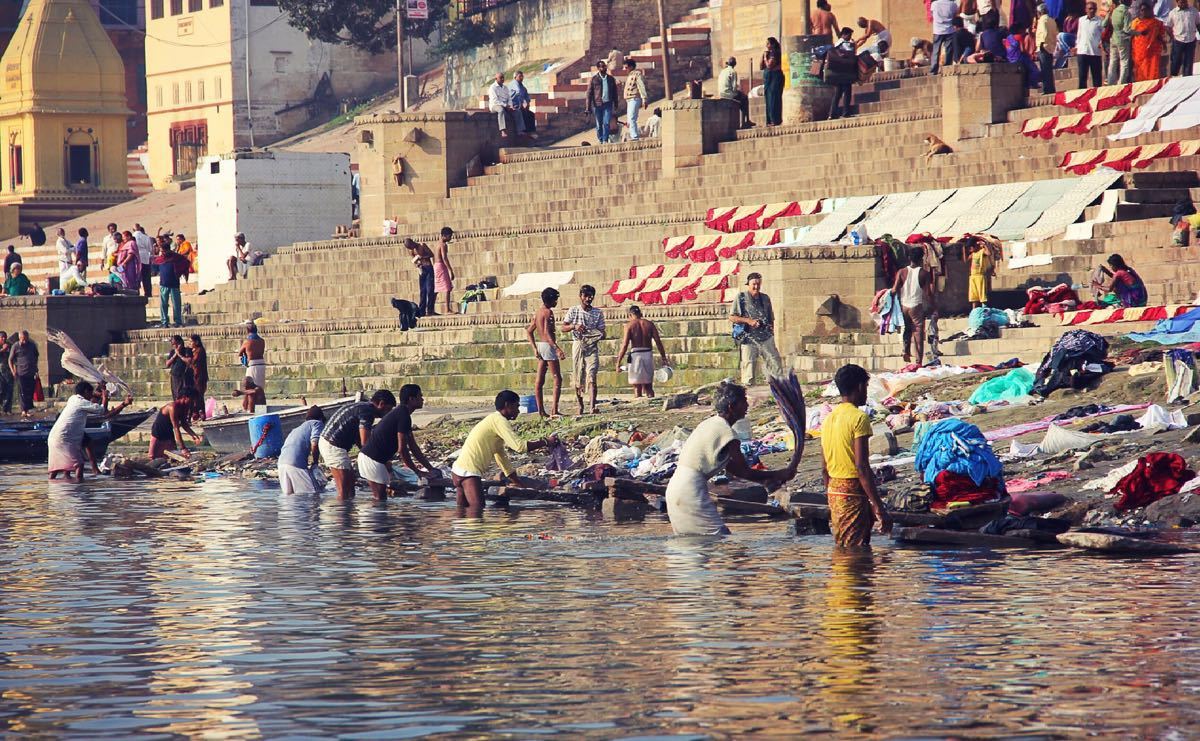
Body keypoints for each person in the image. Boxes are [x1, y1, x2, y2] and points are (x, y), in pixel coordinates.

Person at [665, 381, 799, 536]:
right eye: (744, 401)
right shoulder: (727, 433)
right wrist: (779, 474)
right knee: (721, 538)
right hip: (690, 491)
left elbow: (734, 470)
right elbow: (745, 472)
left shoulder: (709, 423)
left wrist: (768, 479)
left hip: (675, 489)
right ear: (731, 407)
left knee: (693, 546)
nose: (747, 405)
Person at [451, 389, 558, 516]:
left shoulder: (493, 421)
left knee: (461, 515)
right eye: (516, 406)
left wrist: (519, 484)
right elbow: (520, 447)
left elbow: (501, 458)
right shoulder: (499, 420)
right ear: (507, 405)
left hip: (457, 471)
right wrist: (546, 441)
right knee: (477, 511)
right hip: (468, 473)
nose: (518, 410)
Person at [821, 364, 893, 547]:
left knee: (845, 543)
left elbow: (824, 467)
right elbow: (861, 466)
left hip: (834, 490)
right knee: (854, 549)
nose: (866, 392)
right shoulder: (859, 418)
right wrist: (879, 506)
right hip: (852, 489)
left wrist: (831, 495)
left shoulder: (829, 418)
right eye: (866, 387)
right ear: (860, 386)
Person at [358, 383, 438, 500]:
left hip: (373, 460)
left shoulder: (403, 414)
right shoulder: (403, 415)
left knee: (380, 499)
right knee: (380, 499)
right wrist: (417, 472)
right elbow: (402, 450)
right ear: (411, 399)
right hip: (372, 460)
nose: (422, 399)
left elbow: (413, 446)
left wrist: (430, 469)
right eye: (420, 396)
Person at [319, 390, 396, 499]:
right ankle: (341, 513)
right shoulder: (367, 413)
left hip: (330, 443)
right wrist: (380, 460)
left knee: (351, 486)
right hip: (333, 446)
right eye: (388, 409)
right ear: (381, 404)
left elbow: (359, 440)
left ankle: (348, 513)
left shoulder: (362, 407)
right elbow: (365, 441)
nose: (387, 414)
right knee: (344, 491)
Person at [48, 382, 133, 480]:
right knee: (79, 465)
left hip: (56, 436)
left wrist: (105, 394)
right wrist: (105, 397)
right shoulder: (82, 402)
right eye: (90, 393)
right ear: (85, 392)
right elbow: (103, 411)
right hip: (65, 437)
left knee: (57, 468)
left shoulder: (73, 398)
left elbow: (104, 412)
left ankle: (54, 486)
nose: (92, 396)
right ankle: (79, 488)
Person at [730, 273, 784, 385]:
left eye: (758, 284)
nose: (756, 287)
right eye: (754, 284)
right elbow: (732, 317)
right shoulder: (741, 298)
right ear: (748, 284)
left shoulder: (765, 298)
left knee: (775, 362)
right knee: (749, 366)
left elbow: (771, 317)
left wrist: (771, 329)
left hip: (766, 336)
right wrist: (749, 321)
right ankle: (748, 391)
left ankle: (778, 386)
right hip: (748, 338)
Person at [562, 285, 605, 416]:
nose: (588, 298)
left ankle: (592, 407)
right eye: (586, 296)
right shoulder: (573, 310)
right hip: (578, 344)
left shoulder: (598, 313)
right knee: (578, 375)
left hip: (592, 346)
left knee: (591, 375)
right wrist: (574, 326)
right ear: (580, 296)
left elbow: (603, 332)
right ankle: (580, 405)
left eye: (591, 296)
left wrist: (595, 334)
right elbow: (563, 327)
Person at [525, 287, 565, 419]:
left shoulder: (538, 312)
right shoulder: (548, 312)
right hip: (548, 346)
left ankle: (541, 411)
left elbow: (529, 331)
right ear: (551, 299)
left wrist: (534, 348)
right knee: (557, 378)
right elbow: (548, 333)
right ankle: (554, 409)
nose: (557, 302)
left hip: (541, 346)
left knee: (539, 380)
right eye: (556, 299)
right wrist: (557, 348)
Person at [615, 305, 669, 398]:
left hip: (636, 356)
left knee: (637, 386)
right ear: (641, 314)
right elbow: (658, 342)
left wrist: (618, 362)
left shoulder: (629, 325)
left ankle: (638, 405)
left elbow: (624, 345)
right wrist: (663, 357)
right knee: (648, 386)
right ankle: (652, 403)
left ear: (630, 315)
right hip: (648, 354)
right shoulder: (649, 324)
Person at [893, 247, 935, 366]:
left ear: (909, 258)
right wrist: (933, 307)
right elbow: (928, 293)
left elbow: (895, 289)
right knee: (918, 332)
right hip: (916, 305)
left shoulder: (901, 272)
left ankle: (905, 350)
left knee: (906, 328)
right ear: (921, 258)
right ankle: (918, 361)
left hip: (903, 305)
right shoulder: (924, 273)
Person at [278, 406, 326, 495]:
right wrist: (315, 462)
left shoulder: (296, 429)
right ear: (321, 418)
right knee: (314, 494)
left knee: (290, 498)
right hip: (296, 463)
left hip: (281, 464)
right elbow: (314, 443)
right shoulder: (317, 423)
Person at [148, 392, 202, 460]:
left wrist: (194, 436)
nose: (192, 403)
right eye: (191, 400)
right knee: (152, 457)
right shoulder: (172, 407)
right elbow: (176, 428)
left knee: (171, 457)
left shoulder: (185, 407)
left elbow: (184, 424)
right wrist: (183, 448)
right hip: (158, 432)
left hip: (168, 433)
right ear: (185, 397)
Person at [154, 238, 188, 328]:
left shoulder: (176, 257)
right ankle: (164, 322)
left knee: (176, 304)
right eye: (161, 251)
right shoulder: (160, 259)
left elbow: (186, 262)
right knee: (163, 304)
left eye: (163, 251)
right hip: (163, 284)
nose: (163, 253)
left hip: (174, 284)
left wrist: (180, 272)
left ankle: (178, 321)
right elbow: (155, 266)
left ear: (168, 249)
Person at [827, 27, 859, 119]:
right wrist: (853, 45)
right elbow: (850, 54)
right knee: (847, 92)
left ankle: (832, 114)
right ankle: (845, 112)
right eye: (849, 35)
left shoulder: (836, 44)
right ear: (844, 35)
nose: (850, 37)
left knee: (837, 94)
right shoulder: (844, 44)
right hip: (845, 73)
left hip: (837, 73)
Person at [585, 59, 620, 144]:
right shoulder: (594, 79)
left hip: (608, 103)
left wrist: (615, 103)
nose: (604, 68)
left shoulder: (611, 79)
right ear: (598, 68)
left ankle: (605, 140)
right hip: (597, 104)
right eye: (602, 67)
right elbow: (589, 94)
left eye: (604, 66)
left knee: (606, 122)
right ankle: (600, 139)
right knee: (598, 124)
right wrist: (587, 108)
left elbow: (615, 92)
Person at [1132, 3, 1168, 79]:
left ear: (1150, 11)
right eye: (1142, 10)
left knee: (1153, 69)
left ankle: (1153, 86)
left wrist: (1164, 44)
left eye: (1146, 10)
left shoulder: (1157, 23)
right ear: (1140, 11)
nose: (1144, 12)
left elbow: (1159, 35)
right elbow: (1131, 36)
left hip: (1153, 51)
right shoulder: (1136, 22)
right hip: (1139, 52)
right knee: (1140, 71)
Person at [719, 57, 755, 128]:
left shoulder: (722, 71)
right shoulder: (733, 71)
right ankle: (746, 121)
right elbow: (734, 87)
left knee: (741, 99)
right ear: (735, 64)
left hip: (721, 93)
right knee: (745, 98)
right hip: (729, 94)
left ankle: (744, 122)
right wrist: (739, 91)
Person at [404, 237, 436, 317]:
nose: (411, 248)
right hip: (421, 270)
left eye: (410, 246)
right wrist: (417, 263)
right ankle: (422, 311)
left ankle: (430, 310)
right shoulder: (411, 250)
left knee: (430, 290)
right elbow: (414, 261)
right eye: (409, 248)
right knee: (423, 291)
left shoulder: (422, 245)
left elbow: (431, 254)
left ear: (412, 242)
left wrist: (423, 256)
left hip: (428, 268)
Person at [9, 330, 38, 416]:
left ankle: (29, 409)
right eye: (22, 339)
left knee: (30, 391)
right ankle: (24, 410)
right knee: (22, 392)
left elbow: (36, 357)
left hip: (31, 371)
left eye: (25, 339)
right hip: (20, 372)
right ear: (19, 338)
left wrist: (36, 369)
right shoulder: (15, 346)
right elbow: (10, 359)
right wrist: (13, 370)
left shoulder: (32, 345)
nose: (24, 341)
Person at [1076, 2, 1105, 85]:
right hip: (1082, 51)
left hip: (1095, 52)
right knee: (1082, 77)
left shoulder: (1100, 21)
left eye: (1093, 9)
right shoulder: (1081, 20)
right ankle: (1081, 96)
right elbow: (1079, 34)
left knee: (1097, 78)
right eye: (1090, 9)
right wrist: (1077, 46)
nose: (1092, 10)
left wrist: (1102, 45)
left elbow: (1103, 35)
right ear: (1086, 10)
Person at [1168, 0, 1199, 75]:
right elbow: (1168, 26)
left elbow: (1198, 24)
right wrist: (1172, 37)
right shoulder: (1173, 13)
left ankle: (1187, 79)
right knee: (1176, 61)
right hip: (1178, 41)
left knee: (1188, 62)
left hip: (1190, 40)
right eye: (1181, 2)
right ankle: (1173, 77)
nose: (1183, 4)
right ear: (1177, 2)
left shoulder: (1194, 11)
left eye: (1184, 2)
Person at [1108, 0, 1134, 83]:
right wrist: (1138, 33)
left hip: (1113, 38)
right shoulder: (1126, 12)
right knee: (1124, 62)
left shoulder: (1114, 10)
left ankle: (1111, 82)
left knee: (1113, 61)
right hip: (1123, 39)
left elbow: (1104, 24)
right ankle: (1121, 82)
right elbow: (1127, 30)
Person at [1036, 4, 1059, 93]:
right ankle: (1051, 88)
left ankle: (1047, 90)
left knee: (1045, 70)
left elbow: (1044, 33)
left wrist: (1041, 44)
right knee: (1048, 70)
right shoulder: (1052, 20)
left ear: (1040, 12)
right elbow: (1055, 33)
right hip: (1050, 47)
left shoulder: (1042, 20)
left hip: (1043, 47)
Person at [433, 226, 456, 315]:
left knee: (436, 289)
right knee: (447, 288)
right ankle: (447, 309)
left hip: (436, 266)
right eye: (449, 236)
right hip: (441, 266)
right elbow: (444, 258)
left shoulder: (437, 244)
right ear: (444, 236)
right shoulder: (443, 245)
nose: (450, 238)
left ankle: (430, 309)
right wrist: (450, 270)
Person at [760, 37, 784, 125]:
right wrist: (763, 56)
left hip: (775, 77)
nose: (766, 45)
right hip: (768, 78)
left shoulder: (775, 52)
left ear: (772, 44)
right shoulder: (768, 53)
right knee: (768, 98)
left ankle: (775, 119)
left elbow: (769, 65)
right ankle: (769, 120)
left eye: (768, 43)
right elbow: (761, 67)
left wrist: (766, 58)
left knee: (774, 98)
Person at [931, 0, 959, 72]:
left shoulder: (934, 4)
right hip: (949, 30)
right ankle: (947, 68)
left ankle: (933, 69)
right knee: (948, 50)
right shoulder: (953, 4)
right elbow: (955, 15)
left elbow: (932, 14)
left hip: (937, 30)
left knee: (936, 51)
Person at [622, 59, 647, 139]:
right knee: (630, 119)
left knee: (632, 118)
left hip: (635, 98)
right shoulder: (630, 75)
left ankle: (634, 137)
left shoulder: (637, 74)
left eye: (626, 67)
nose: (625, 70)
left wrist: (644, 99)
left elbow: (641, 86)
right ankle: (633, 135)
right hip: (629, 100)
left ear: (631, 67)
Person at [164, 335, 193, 401]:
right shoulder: (172, 352)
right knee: (176, 395)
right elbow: (167, 364)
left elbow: (189, 361)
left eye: (176, 344)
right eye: (173, 344)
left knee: (185, 395)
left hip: (184, 376)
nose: (175, 346)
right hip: (175, 376)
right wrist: (175, 355)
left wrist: (179, 354)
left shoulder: (187, 350)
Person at [239, 321, 266, 391]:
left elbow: (240, 353)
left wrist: (244, 360)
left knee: (250, 388)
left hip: (252, 365)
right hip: (262, 364)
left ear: (247, 331)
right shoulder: (262, 341)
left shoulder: (247, 342)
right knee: (260, 388)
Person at [488, 72, 515, 137]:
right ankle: (503, 130)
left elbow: (509, 98)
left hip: (505, 105)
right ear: (496, 79)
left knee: (517, 112)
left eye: (503, 78)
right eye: (501, 78)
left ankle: (520, 131)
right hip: (495, 105)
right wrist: (505, 106)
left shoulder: (505, 87)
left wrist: (510, 106)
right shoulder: (492, 87)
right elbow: (495, 100)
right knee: (501, 110)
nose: (502, 79)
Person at [968, 238, 993, 308]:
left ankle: (984, 310)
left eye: (971, 247)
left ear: (975, 246)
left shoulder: (981, 252)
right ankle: (974, 311)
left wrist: (984, 245)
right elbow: (966, 260)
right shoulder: (972, 254)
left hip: (980, 276)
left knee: (982, 296)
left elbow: (989, 253)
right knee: (973, 296)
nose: (970, 248)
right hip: (973, 277)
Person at [510, 70, 536, 137]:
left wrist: (527, 102)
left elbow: (526, 95)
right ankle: (523, 131)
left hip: (519, 104)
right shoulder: (514, 84)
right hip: (513, 105)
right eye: (520, 76)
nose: (521, 78)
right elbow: (518, 94)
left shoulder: (522, 86)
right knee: (522, 113)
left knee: (531, 114)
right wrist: (522, 103)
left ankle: (531, 131)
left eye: (522, 76)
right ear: (515, 77)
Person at [133, 223, 154, 298]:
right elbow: (150, 249)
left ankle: (136, 292)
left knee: (136, 277)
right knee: (146, 277)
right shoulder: (146, 237)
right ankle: (148, 293)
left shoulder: (132, 237)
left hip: (136, 258)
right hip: (145, 257)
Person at [187, 334, 209, 400]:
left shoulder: (200, 350)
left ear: (196, 342)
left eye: (191, 342)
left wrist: (180, 355)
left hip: (199, 376)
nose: (189, 343)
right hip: (193, 376)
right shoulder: (193, 350)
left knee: (199, 395)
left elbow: (193, 361)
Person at [0, 331, 11, 414]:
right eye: (2, 337)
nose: (4, 338)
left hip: (8, 370)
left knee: (8, 390)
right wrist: (2, 350)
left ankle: (7, 409)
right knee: (1, 390)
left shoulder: (9, 345)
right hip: (0, 371)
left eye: (5, 337)